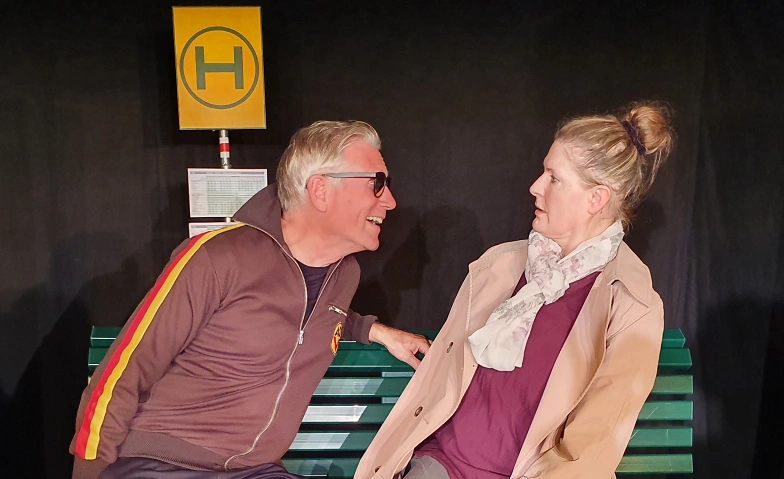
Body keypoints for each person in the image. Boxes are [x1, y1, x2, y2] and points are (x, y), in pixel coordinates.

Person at [69, 120, 431, 479]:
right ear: (320, 190)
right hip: (160, 464)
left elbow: (310, 314)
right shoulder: (216, 258)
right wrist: (90, 471)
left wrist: (375, 331)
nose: (390, 201)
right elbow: (123, 371)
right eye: (376, 183)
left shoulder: (344, 275)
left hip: (252, 470)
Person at [355, 102, 674, 479]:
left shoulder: (631, 303)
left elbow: (591, 448)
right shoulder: (499, 265)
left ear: (596, 199)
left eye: (554, 178)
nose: (535, 187)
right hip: (441, 463)